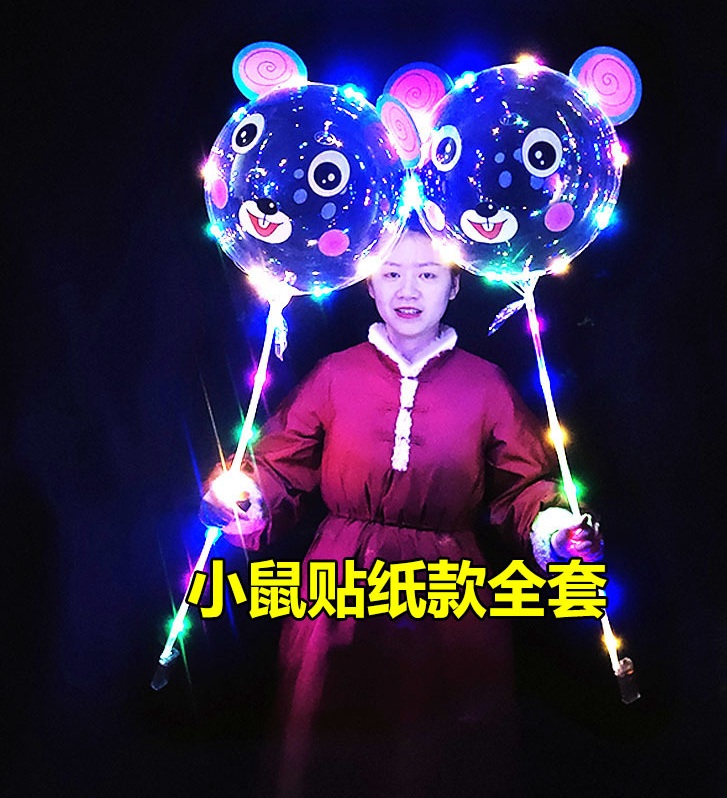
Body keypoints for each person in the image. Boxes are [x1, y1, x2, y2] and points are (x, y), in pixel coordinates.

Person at [201, 223, 603, 796]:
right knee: (330, 748)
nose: (407, 290)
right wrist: (244, 496)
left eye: (427, 274)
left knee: (435, 755)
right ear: (369, 282)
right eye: (391, 273)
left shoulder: (486, 385)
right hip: (337, 591)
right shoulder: (335, 374)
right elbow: (278, 467)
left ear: (454, 285)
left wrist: (557, 532)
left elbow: (524, 488)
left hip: (447, 594)